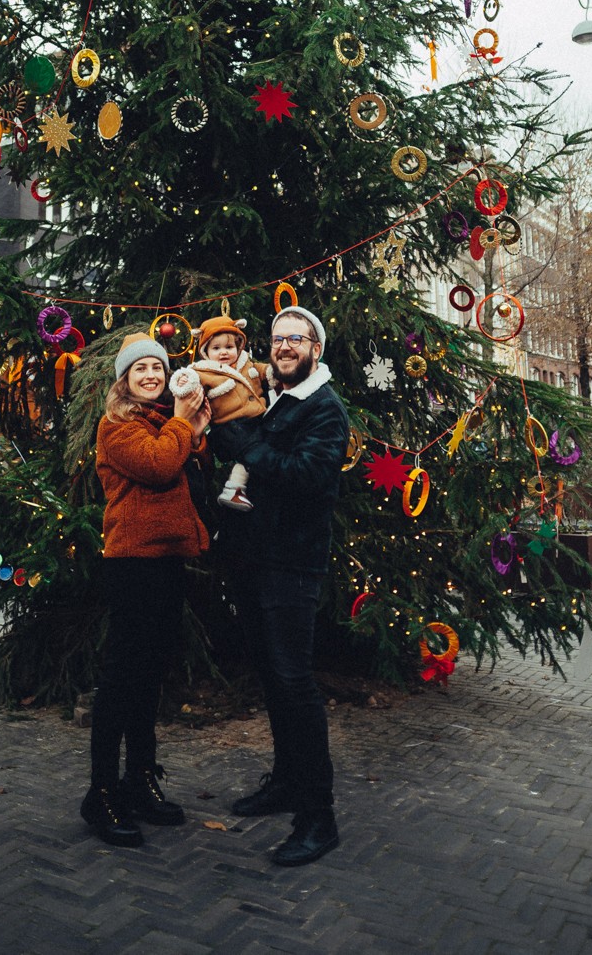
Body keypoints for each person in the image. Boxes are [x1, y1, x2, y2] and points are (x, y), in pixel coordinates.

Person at [228, 305, 349, 867]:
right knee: (273, 680)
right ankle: (284, 783)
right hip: (257, 561)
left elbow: (304, 477)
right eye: (277, 339)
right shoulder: (276, 398)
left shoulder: (324, 409)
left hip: (293, 567)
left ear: (314, 349)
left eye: (295, 339)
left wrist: (244, 446)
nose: (283, 347)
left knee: (296, 684)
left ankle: (318, 818)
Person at [80, 331, 212, 848]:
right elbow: (159, 466)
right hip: (132, 565)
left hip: (166, 562)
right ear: (125, 381)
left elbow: (183, 468)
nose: (152, 376)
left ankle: (140, 779)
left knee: (150, 676)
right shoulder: (116, 427)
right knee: (121, 680)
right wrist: (184, 419)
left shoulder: (161, 423)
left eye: (157, 368)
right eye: (141, 371)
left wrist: (194, 432)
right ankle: (101, 793)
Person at [168, 315, 267, 511]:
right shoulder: (203, 371)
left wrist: (272, 373)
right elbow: (189, 378)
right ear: (205, 352)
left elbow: (262, 370)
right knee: (253, 451)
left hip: (256, 418)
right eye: (216, 348)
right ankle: (234, 489)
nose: (223, 352)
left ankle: (236, 488)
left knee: (259, 452)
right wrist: (182, 382)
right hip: (230, 424)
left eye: (229, 347)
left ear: (238, 348)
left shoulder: (246, 363)